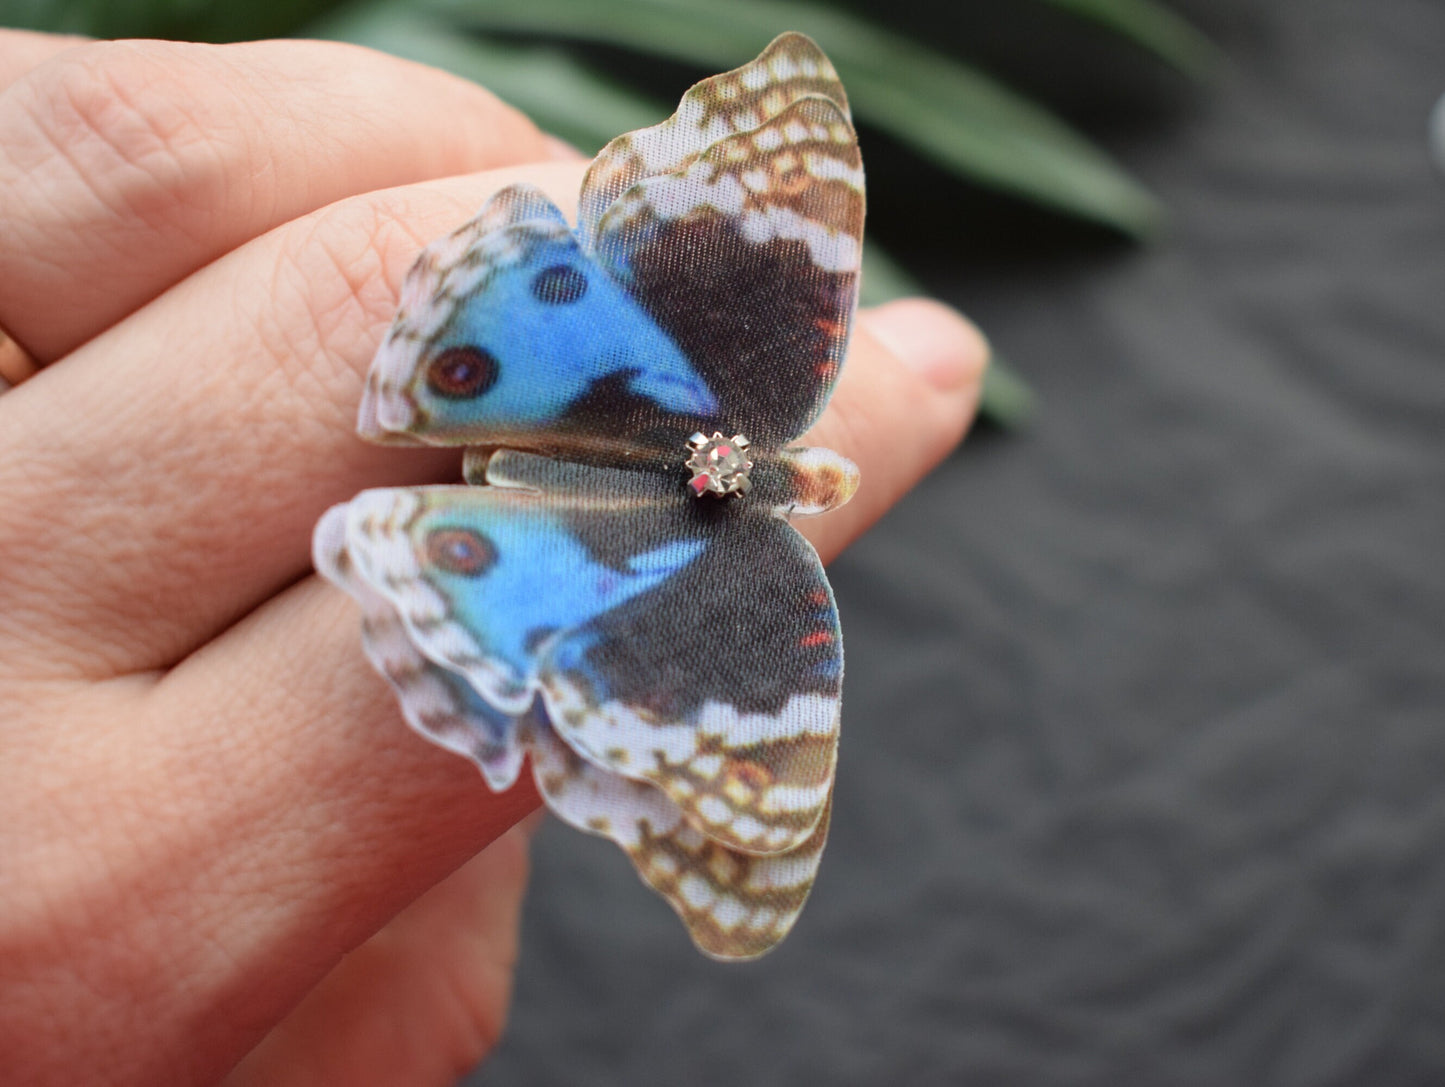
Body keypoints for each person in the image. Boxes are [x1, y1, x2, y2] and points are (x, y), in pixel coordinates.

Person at [0, 30, 989, 1086]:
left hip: (574, 386)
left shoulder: (785, 511)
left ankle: (473, 377)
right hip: (581, 504)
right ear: (821, 484)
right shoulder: (791, 611)